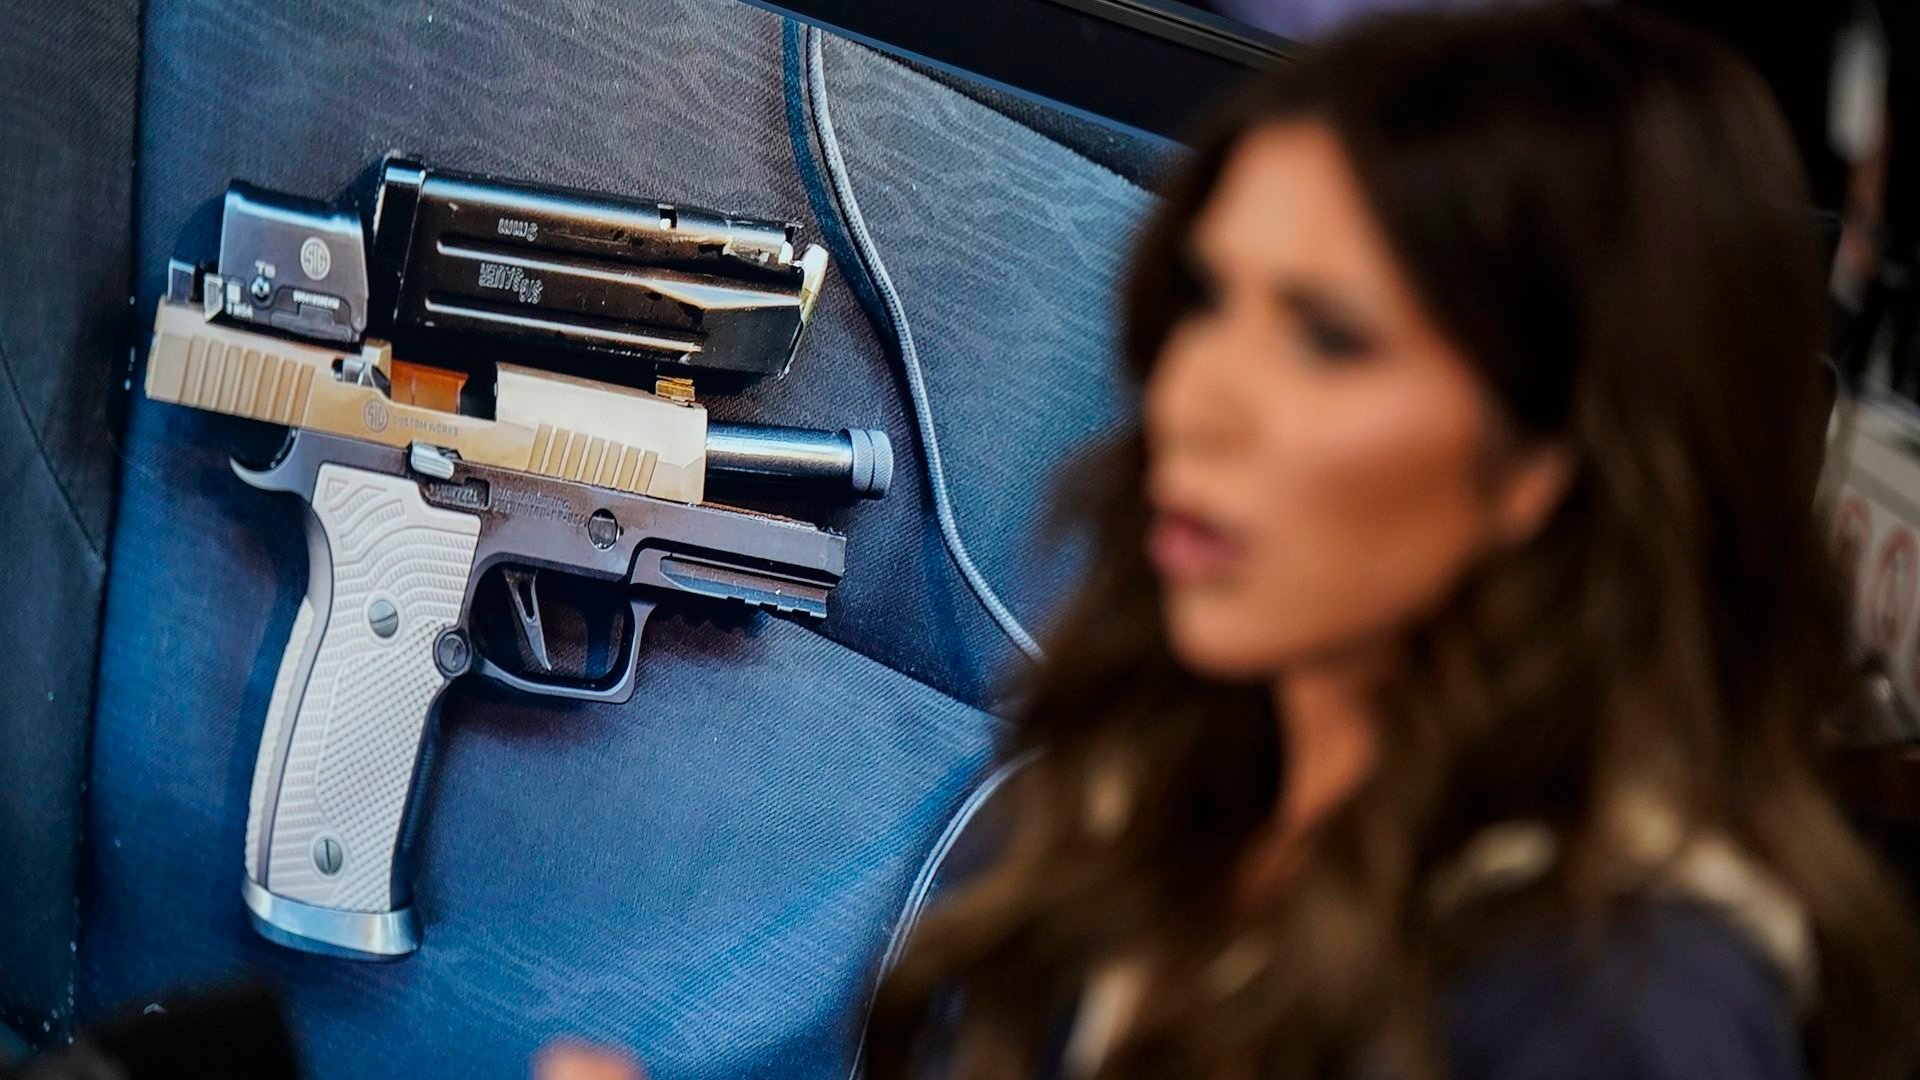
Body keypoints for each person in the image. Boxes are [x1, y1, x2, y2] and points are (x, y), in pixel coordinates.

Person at [857, 4, 1920, 1079]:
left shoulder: (1616, 1009)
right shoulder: (1133, 786)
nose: (1195, 397)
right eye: (1211, 299)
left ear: (1563, 449)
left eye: (1329, 338)